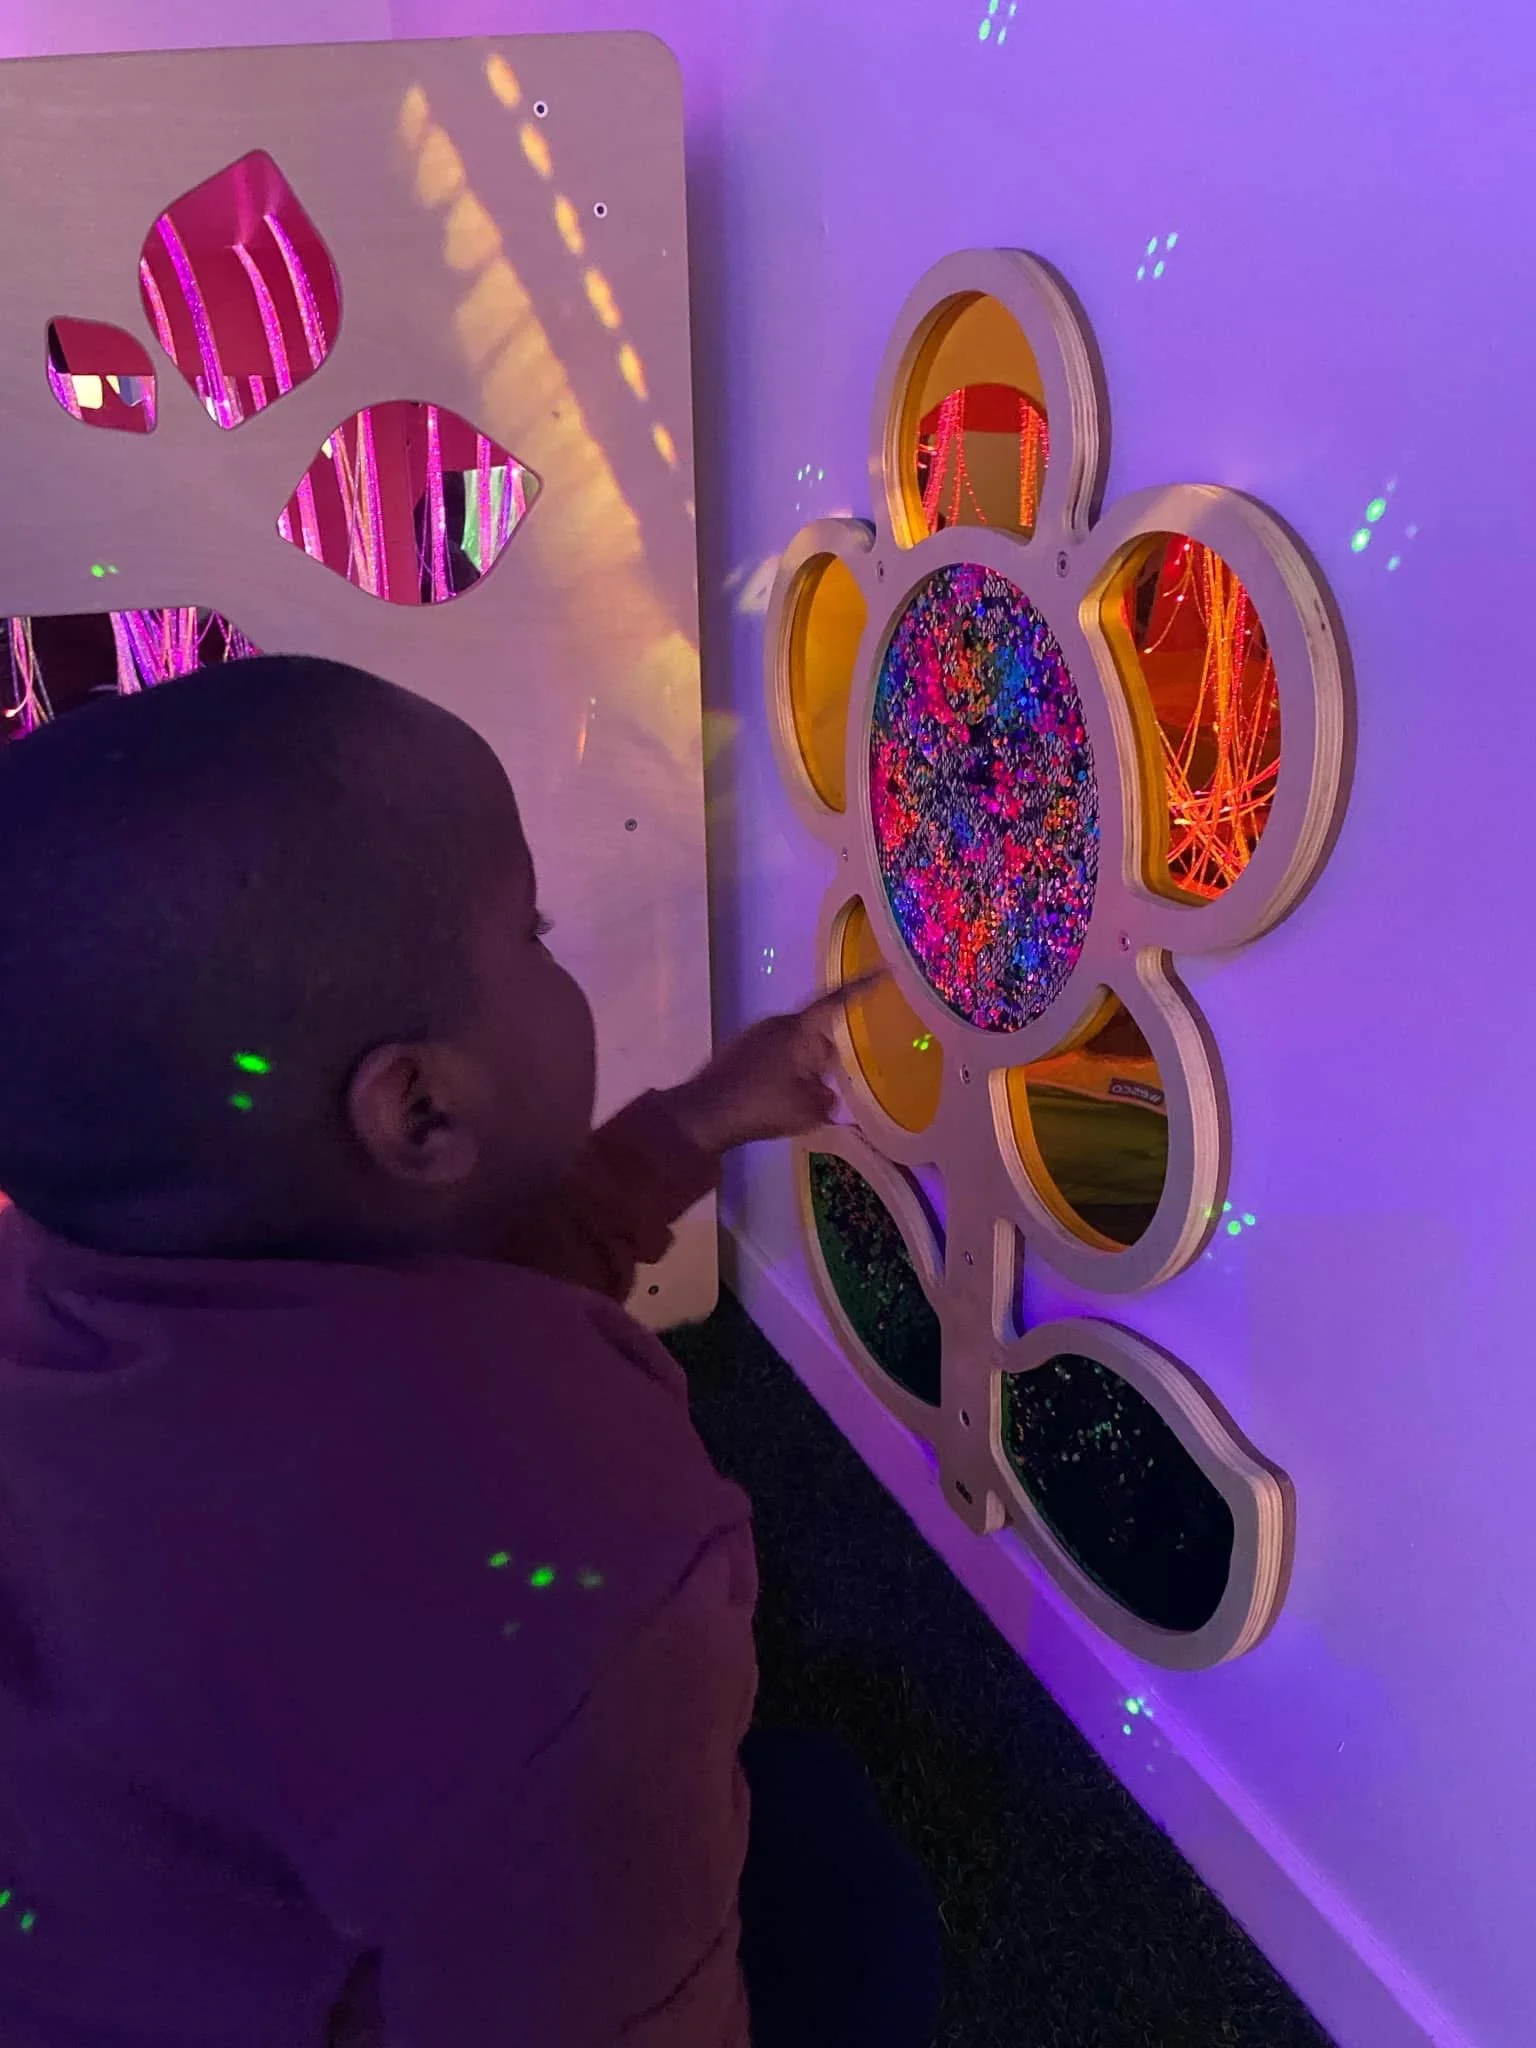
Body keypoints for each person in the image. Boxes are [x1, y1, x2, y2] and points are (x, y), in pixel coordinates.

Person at [0, 654, 942, 2047]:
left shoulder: (86, 1270)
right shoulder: (568, 1567)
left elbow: (445, 1275)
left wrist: (690, 1126)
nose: (559, 952)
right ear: (422, 1111)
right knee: (844, 1892)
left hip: (138, 1918)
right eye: (537, 932)